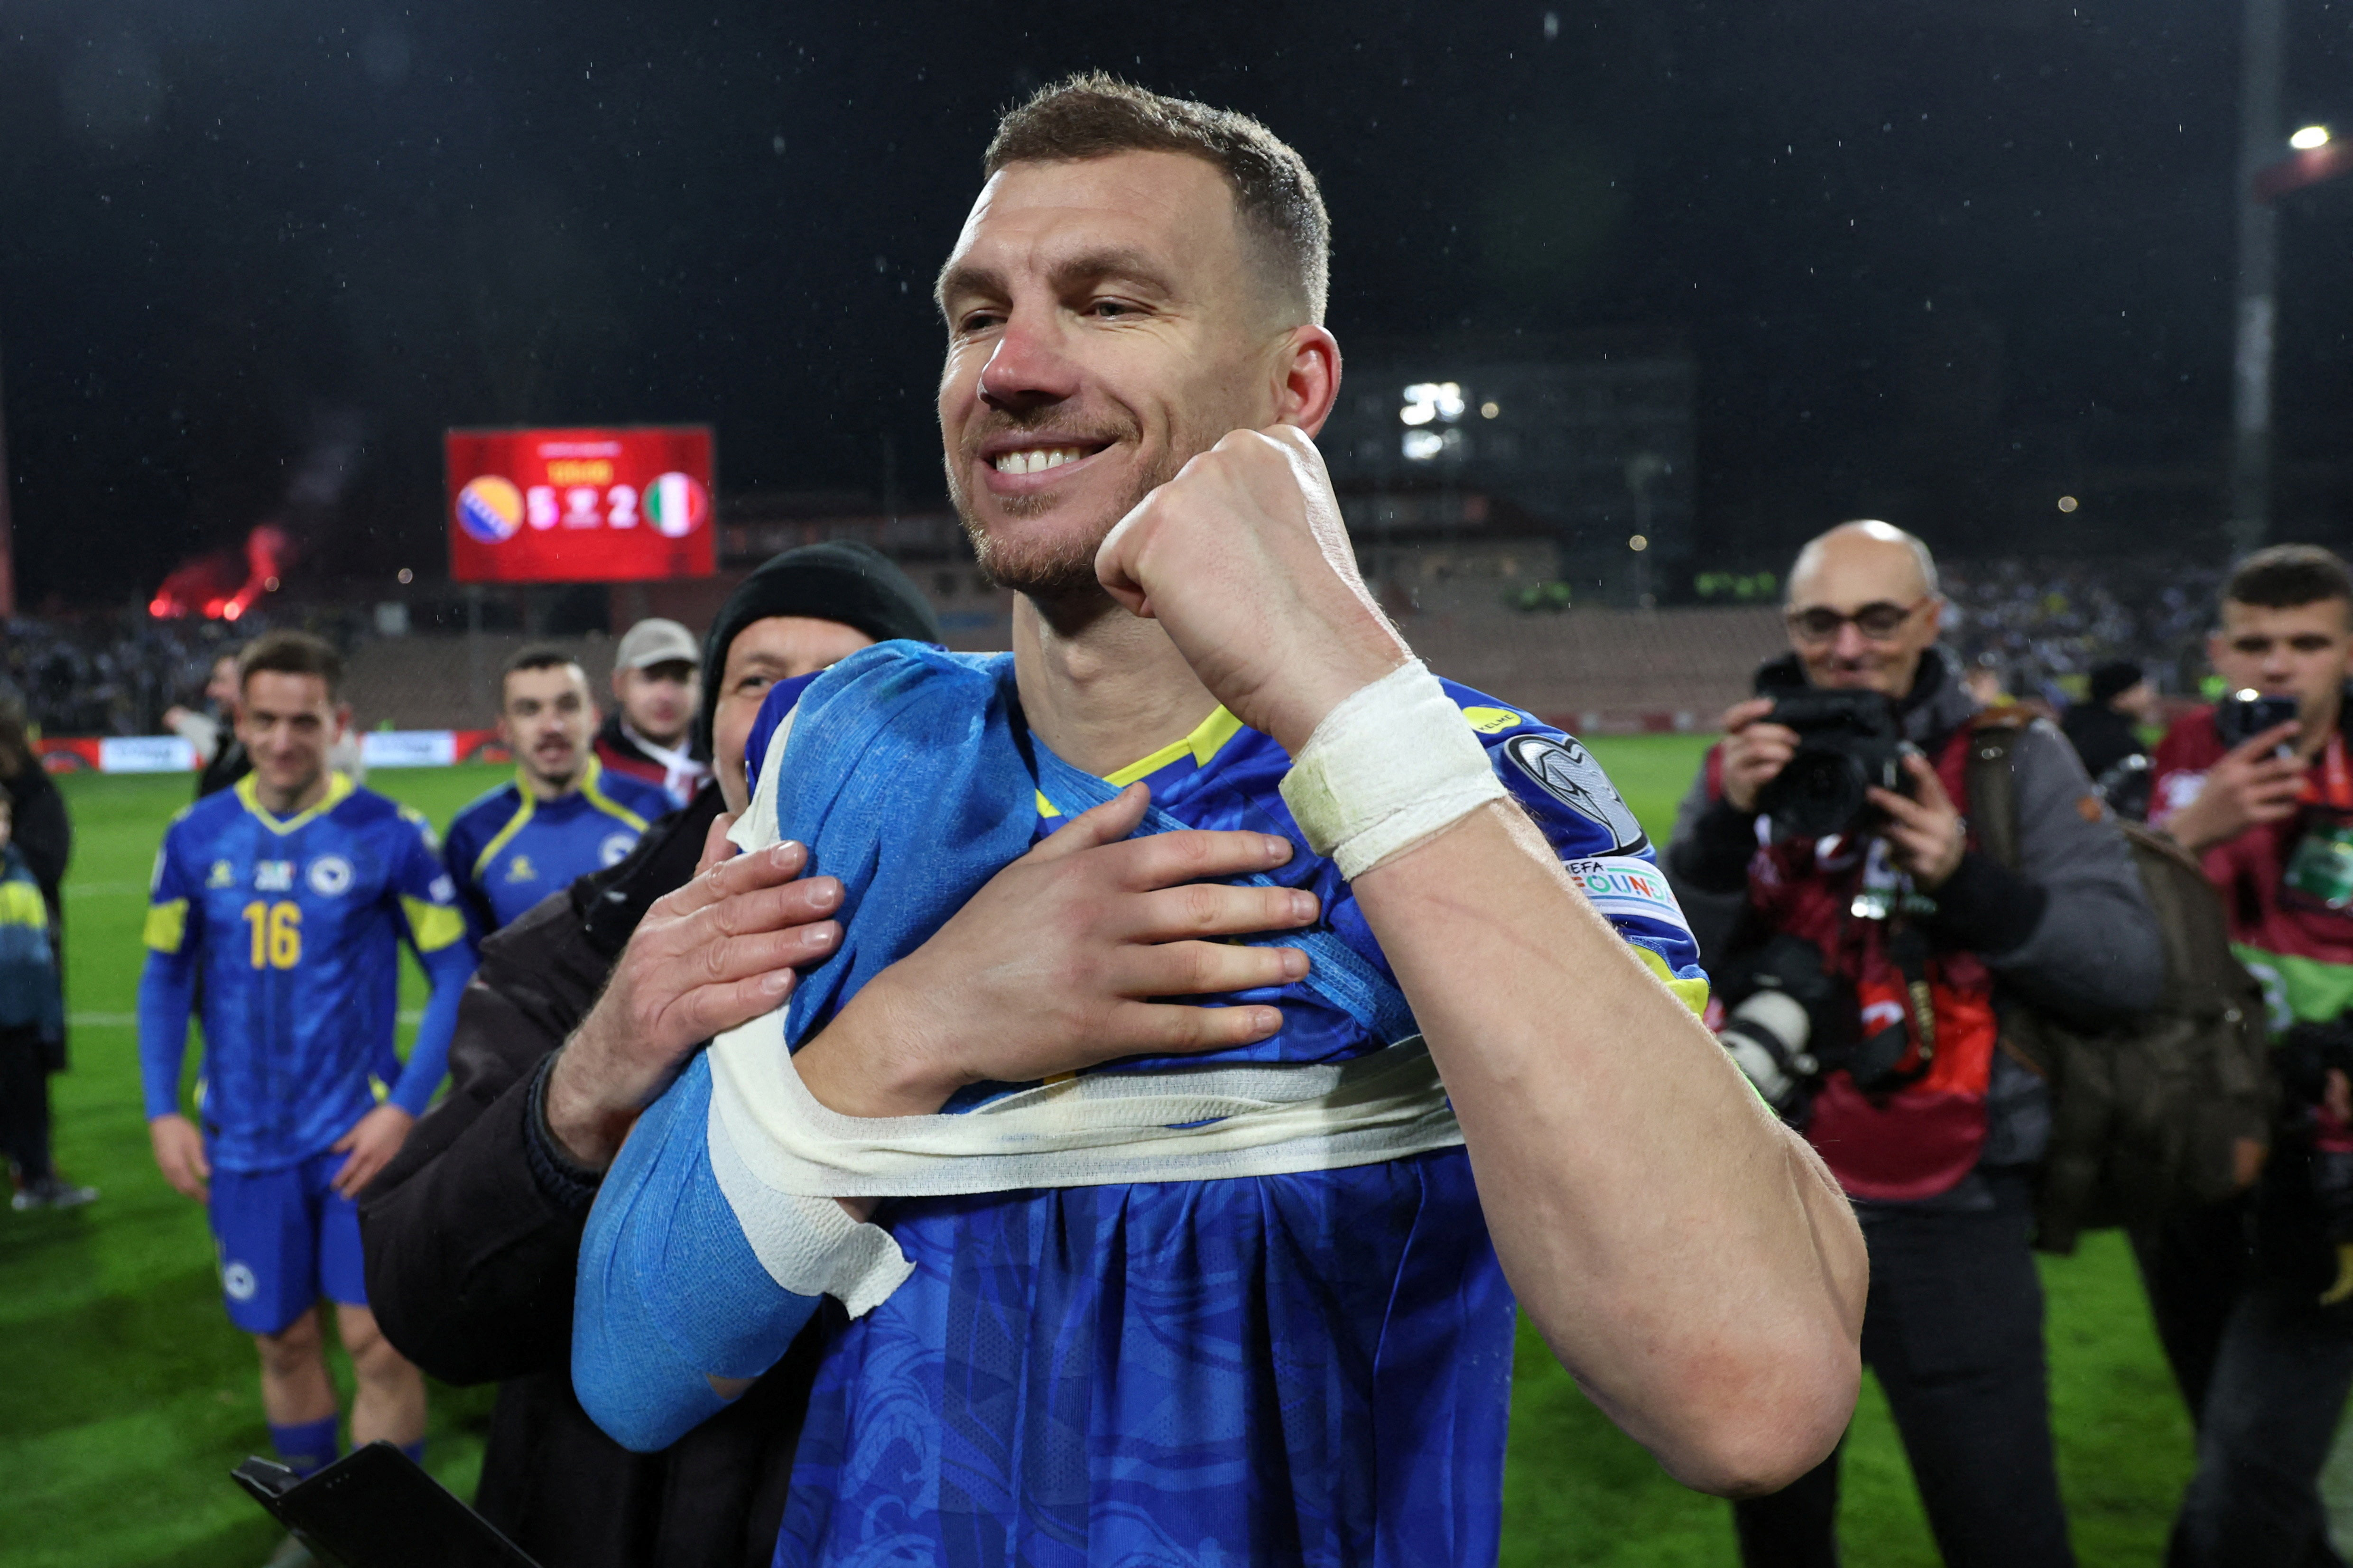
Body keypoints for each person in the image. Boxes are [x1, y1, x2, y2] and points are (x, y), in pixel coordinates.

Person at [572, 75, 1867, 1567]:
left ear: (1294, 389)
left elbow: (1754, 1400)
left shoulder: (1471, 789)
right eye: (975, 312)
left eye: (1111, 303)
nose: (1015, 365)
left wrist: (1353, 705)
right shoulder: (849, 748)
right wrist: (924, 1021)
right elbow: (633, 1367)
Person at [360, 542, 943, 1568]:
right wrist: (591, 1076)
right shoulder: (572, 946)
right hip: (595, 1518)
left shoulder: (1014, 940)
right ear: (713, 719)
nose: (791, 712)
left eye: (847, 679)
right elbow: (422, 1298)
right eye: (755, 679)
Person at [1662, 520, 2163, 1568]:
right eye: (1819, 622)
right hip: (1772, 1203)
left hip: (1950, 1210)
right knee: (1780, 1531)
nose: (1846, 647)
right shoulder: (1747, 762)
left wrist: (1961, 878)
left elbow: (2124, 968)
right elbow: (1660, 975)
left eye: (1877, 618)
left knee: (1999, 1526)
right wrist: (1720, 829)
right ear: (1790, 629)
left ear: (1929, 622)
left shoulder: (2006, 755)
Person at [136, 630, 473, 1538]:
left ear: (339, 723)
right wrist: (164, 1108)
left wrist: (405, 1105)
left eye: (305, 720)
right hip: (240, 1141)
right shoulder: (195, 835)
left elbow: (454, 971)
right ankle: (320, 1526)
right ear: (239, 719)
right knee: (282, 1341)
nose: (284, 739)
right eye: (267, 720)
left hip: (351, 1140)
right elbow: (165, 976)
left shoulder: (390, 835)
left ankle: (390, 1535)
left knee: (375, 1341)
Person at [2143, 544, 2353, 1567]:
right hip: (2186, 1147)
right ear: (2220, 648)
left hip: (2323, 1169)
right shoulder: (2182, 749)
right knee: (2229, 1448)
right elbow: (2103, 936)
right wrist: (2193, 828)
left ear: (2346, 652)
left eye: (2306, 643)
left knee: (2245, 1475)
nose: (2278, 666)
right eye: (2256, 643)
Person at [444, 646, 676, 942]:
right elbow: (470, 962)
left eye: (567, 706)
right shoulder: (473, 833)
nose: (551, 726)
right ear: (505, 729)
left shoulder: (656, 809)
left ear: (593, 717)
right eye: (530, 710)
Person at [0, 781, 88, 1210]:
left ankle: (36, 1178)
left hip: (23, 1018)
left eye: (3, 819)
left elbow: (39, 957)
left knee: (30, 1106)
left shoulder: (20, 876)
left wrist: (48, 1016)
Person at [598, 618, 709, 807]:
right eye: (651, 678)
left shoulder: (727, 764)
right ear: (618, 684)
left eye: (680, 679)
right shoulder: (594, 767)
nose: (666, 696)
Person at [167, 646, 253, 799]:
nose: (211, 691)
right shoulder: (229, 746)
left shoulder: (261, 756)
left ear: (249, 684)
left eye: (221, 681)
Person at [2062, 658, 2158, 784]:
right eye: (2141, 690)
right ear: (2120, 697)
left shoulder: (2079, 724)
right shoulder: (2116, 742)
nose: (2152, 697)